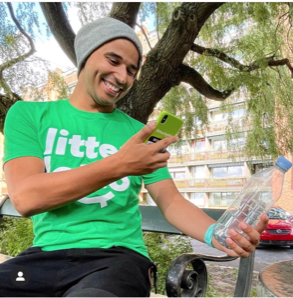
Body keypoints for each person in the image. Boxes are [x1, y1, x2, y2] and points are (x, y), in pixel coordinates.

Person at [0, 17, 268, 297]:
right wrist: (120, 164)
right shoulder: (29, 115)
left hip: (116, 260)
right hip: (43, 259)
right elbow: (27, 198)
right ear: (85, 57)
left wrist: (219, 234)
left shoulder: (139, 133)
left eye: (131, 70)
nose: (122, 77)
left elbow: (171, 201)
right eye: (113, 61)